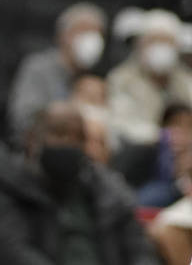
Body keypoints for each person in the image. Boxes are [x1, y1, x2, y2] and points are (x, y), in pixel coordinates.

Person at [0, 100, 153, 265]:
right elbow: (14, 251)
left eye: (78, 138)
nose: (69, 144)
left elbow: (140, 251)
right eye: (60, 134)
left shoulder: (109, 191)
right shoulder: (11, 188)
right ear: (32, 139)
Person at [106, 11, 192, 153]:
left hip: (188, 155)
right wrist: (163, 137)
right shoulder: (121, 79)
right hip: (140, 155)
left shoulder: (191, 82)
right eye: (153, 41)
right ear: (140, 45)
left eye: (166, 42)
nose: (160, 48)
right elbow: (119, 124)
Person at [6, 1, 107, 142]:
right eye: (84, 30)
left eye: (98, 32)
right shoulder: (38, 67)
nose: (92, 39)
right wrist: (61, 114)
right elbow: (21, 117)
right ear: (63, 35)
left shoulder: (97, 77)